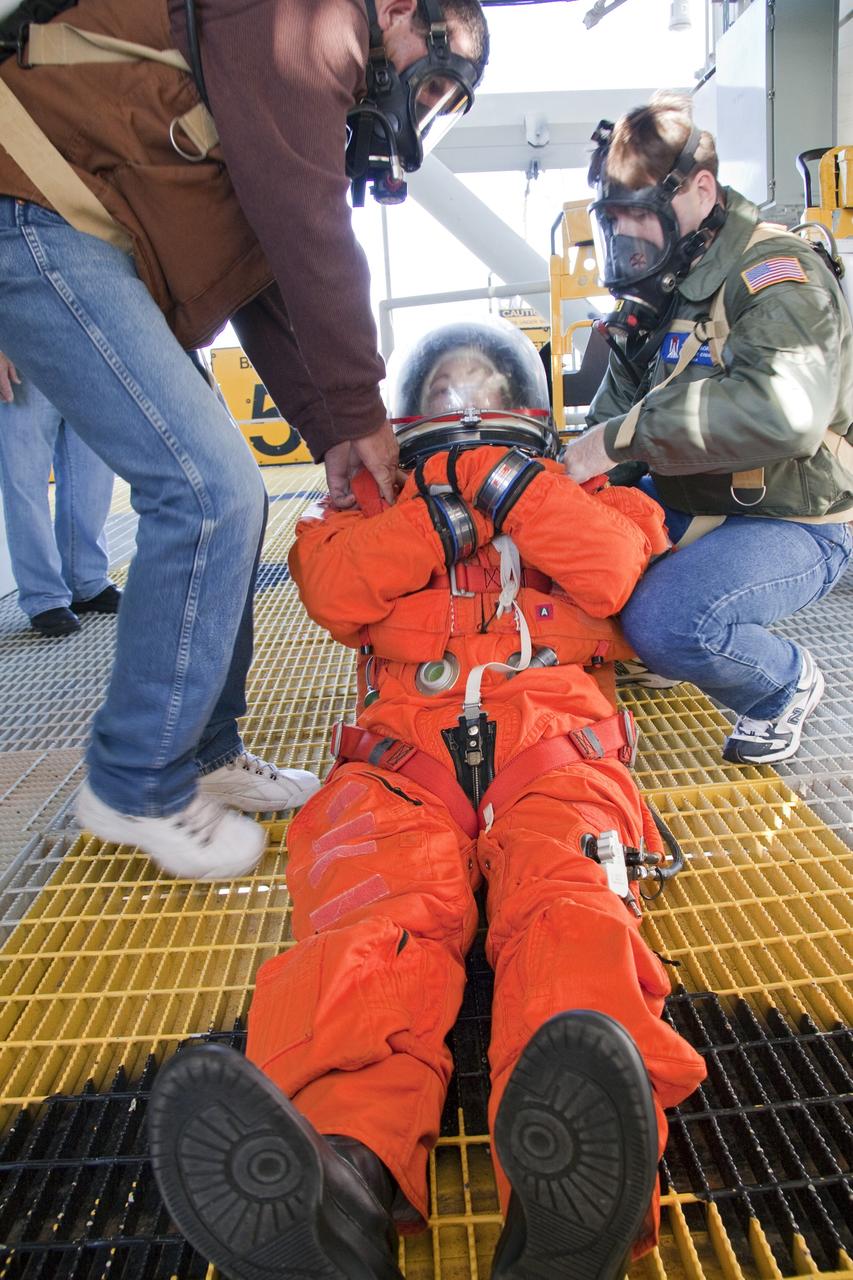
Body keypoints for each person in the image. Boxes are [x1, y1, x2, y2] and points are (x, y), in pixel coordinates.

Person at [147, 321, 707, 1280]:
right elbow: (331, 590)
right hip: (402, 764)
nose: (466, 418)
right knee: (377, 913)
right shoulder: (359, 511)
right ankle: (339, 1175)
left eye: (486, 399)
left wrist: (511, 489)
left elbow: (614, 572)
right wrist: (440, 514)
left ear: (530, 417)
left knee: (566, 907)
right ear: (406, 420)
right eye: (446, 402)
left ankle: (569, 1197)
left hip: (554, 754)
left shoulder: (592, 494)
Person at [0, 0, 488, 877]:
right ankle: (136, 781)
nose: (426, 104)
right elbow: (307, 229)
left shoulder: (289, 73)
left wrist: (334, 430)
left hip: (80, 226)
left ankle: (204, 751)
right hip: (37, 208)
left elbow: (261, 269)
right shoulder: (311, 18)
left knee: (234, 494)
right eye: (437, 76)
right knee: (205, 492)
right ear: (401, 12)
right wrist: (361, 411)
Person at [563, 94, 853, 766]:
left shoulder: (775, 276)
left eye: (642, 213)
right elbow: (612, 419)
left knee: (663, 622)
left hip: (794, 516)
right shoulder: (668, 280)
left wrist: (615, 443)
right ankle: (672, 646)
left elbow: (784, 411)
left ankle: (781, 684)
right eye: (619, 218)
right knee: (574, 564)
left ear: (699, 189)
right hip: (699, 498)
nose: (631, 233)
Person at [0, 350, 119, 637]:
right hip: (21, 346)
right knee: (24, 480)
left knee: (93, 475)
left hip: (85, 352)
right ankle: (45, 597)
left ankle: (86, 582)